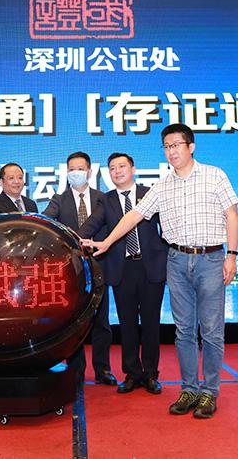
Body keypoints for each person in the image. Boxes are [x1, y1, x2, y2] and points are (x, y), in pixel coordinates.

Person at [82, 124, 238, 419]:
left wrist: (231, 255)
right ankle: (189, 389)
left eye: (176, 145)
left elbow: (232, 214)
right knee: (184, 331)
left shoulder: (215, 175)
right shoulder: (162, 185)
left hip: (210, 259)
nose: (171, 151)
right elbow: (134, 215)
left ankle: (209, 391)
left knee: (211, 330)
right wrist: (107, 242)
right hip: (176, 260)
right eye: (167, 146)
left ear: (191, 147)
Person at [78, 153, 167, 394]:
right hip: (122, 269)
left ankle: (151, 374)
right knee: (127, 323)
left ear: (133, 169)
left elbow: (168, 225)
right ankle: (132, 373)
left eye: (121, 166)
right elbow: (90, 226)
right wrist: (72, 238)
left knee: (151, 323)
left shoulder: (150, 193)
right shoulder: (105, 201)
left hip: (151, 267)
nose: (117, 171)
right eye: (112, 168)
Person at [43, 152, 115, 386]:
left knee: (101, 321)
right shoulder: (58, 199)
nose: (76, 173)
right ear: (67, 173)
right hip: (72, 269)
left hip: (100, 264)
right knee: (74, 323)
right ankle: (76, 370)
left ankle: (103, 369)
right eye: (72, 169)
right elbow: (46, 222)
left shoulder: (103, 198)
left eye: (80, 169)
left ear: (89, 172)